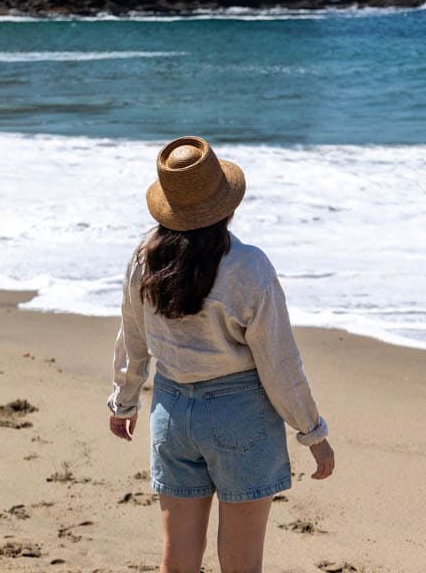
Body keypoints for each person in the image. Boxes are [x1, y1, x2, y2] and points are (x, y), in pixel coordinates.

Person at [108, 136, 335, 573]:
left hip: (171, 412)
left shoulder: (143, 260)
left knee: (177, 561)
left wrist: (124, 399)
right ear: (226, 204)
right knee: (241, 563)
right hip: (240, 415)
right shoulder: (248, 267)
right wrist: (312, 432)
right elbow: (279, 364)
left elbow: (132, 336)